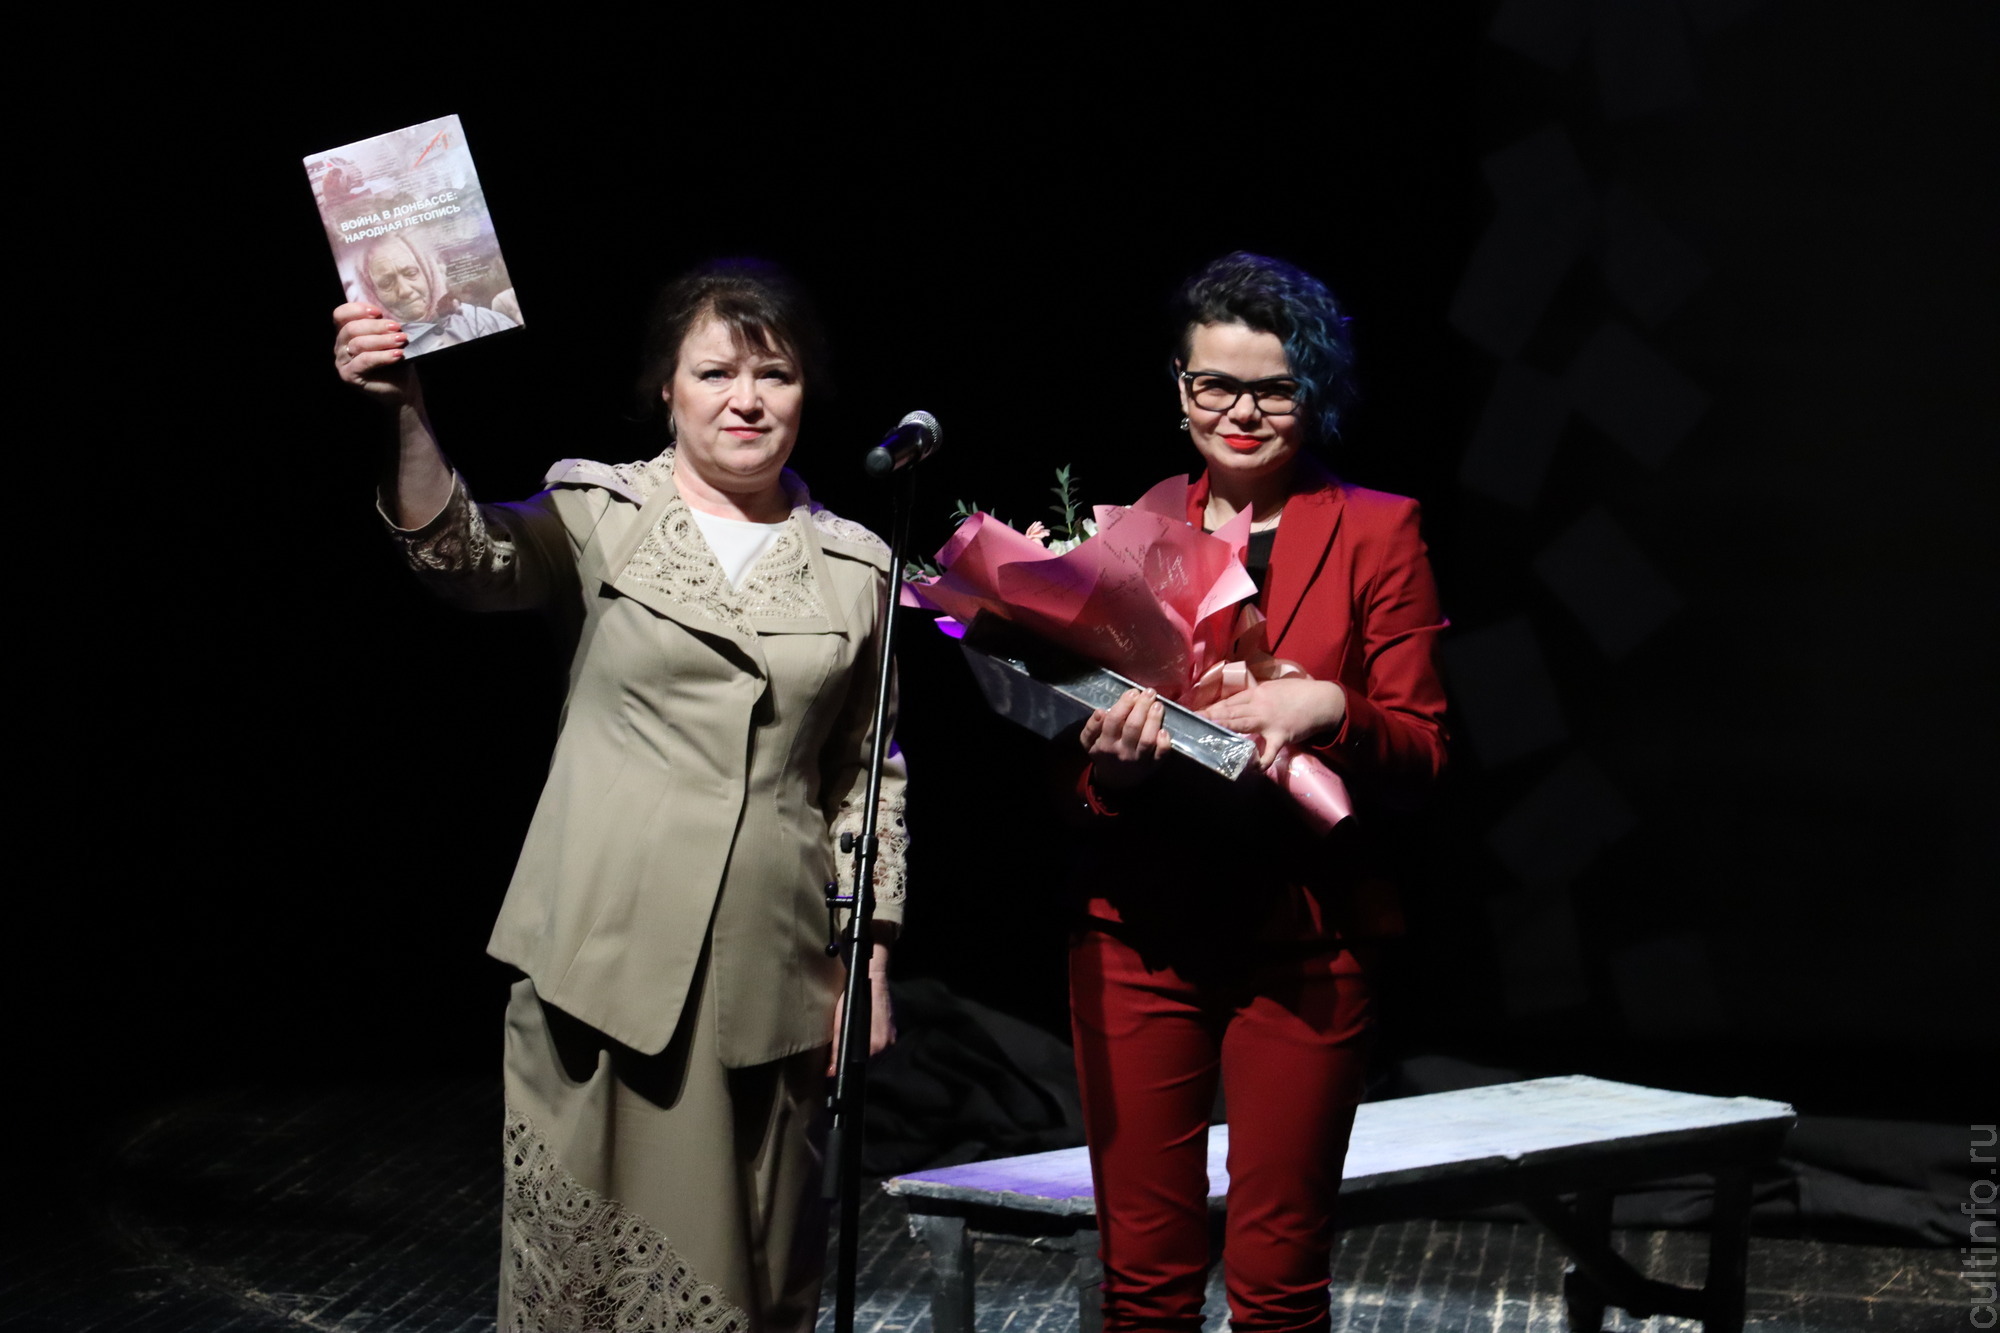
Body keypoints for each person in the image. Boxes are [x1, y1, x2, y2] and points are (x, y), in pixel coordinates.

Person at [332, 258, 906, 1332]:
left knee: (755, 1274)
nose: (746, 399)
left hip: (771, 974)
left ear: (804, 393)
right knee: (589, 1288)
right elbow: (461, 554)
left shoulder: (857, 567)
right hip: (600, 965)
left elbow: (867, 775)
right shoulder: (604, 512)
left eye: (774, 374)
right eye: (716, 372)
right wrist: (405, 409)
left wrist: (866, 952)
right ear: (666, 388)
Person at [1071, 251, 1448, 1333]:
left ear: (1312, 390)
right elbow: (1074, 773)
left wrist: (1326, 704)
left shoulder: (1378, 529)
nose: (1240, 412)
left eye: (1272, 389)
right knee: (1143, 1288)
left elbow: (1423, 751)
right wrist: (1112, 766)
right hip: (1138, 936)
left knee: (1278, 1287)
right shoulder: (1134, 524)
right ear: (1179, 387)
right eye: (1214, 384)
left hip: (1306, 940)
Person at [353, 231, 518, 354]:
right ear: (372, 292)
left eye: (411, 273)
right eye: (386, 283)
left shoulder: (484, 320)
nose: (404, 291)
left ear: (430, 272)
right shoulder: (377, 350)